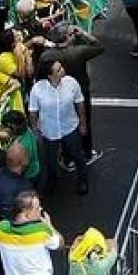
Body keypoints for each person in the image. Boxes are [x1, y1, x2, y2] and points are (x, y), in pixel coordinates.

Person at [28, 58, 90, 196]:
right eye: (58, 69)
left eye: (61, 67)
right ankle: (52, 180)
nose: (63, 70)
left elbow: (80, 103)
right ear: (50, 75)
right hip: (49, 131)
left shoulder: (71, 83)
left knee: (77, 155)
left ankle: (82, 179)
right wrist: (34, 129)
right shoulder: (37, 89)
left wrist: (83, 123)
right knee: (50, 160)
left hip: (70, 127)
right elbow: (33, 111)